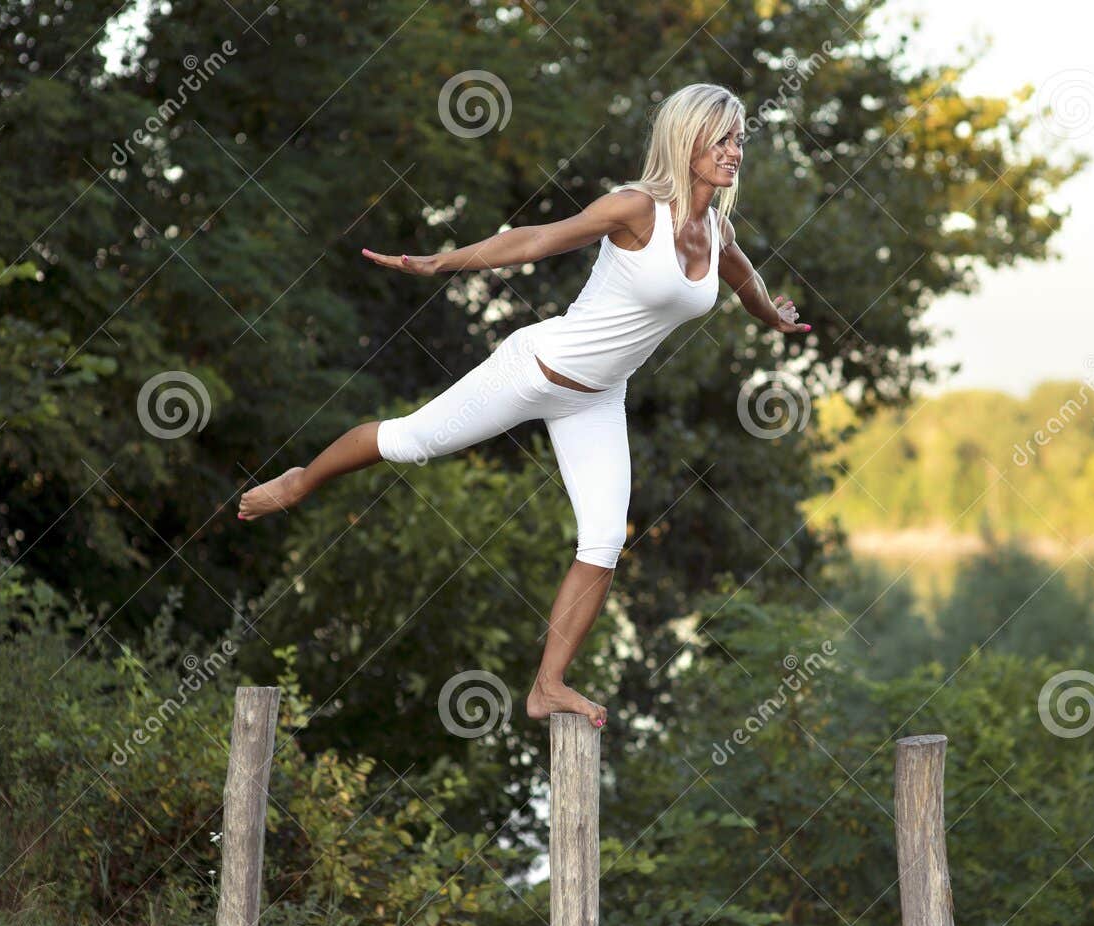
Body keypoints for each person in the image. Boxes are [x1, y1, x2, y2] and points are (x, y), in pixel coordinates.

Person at [238, 82, 809, 729]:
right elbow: (538, 239)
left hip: (597, 400)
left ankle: (548, 685)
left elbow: (742, 279)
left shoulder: (716, 227)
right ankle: (299, 481)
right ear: (686, 142)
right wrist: (441, 263)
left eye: (739, 139)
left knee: (603, 540)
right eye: (723, 139)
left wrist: (775, 315)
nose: (736, 151)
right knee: (407, 442)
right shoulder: (634, 208)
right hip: (535, 369)